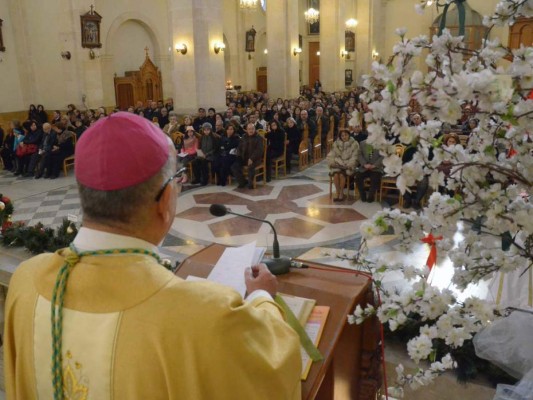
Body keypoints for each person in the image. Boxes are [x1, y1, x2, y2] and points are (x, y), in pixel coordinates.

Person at [4, 112, 301, 399]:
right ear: (165, 201)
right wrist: (262, 297)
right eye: (177, 180)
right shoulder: (199, 314)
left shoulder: (27, 281)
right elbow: (271, 367)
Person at [327, 129, 359, 201]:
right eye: (342, 135)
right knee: (335, 175)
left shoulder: (354, 144)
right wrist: (333, 163)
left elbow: (355, 157)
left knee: (341, 175)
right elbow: (331, 155)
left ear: (349, 135)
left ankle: (341, 193)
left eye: (346, 135)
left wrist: (349, 165)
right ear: (340, 136)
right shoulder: (336, 144)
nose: (344, 137)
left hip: (347, 166)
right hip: (338, 164)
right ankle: (337, 193)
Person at [231, 122, 264, 189]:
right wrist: (239, 156)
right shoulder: (244, 137)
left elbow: (259, 150)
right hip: (244, 158)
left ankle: (250, 184)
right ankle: (242, 182)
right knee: (234, 166)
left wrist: (251, 158)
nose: (251, 130)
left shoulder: (259, 138)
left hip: (255, 159)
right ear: (246, 130)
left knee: (250, 167)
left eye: (252, 129)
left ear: (255, 129)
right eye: (249, 129)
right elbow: (239, 147)